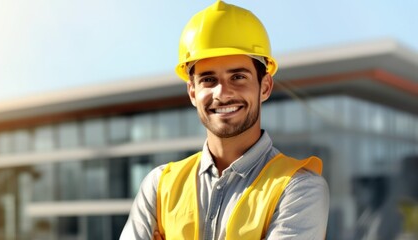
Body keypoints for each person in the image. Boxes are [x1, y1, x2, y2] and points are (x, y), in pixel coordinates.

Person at [120, 1, 329, 239]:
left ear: (265, 86)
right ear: (192, 92)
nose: (222, 93)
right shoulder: (159, 186)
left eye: (238, 76)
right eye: (208, 80)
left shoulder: (300, 188)